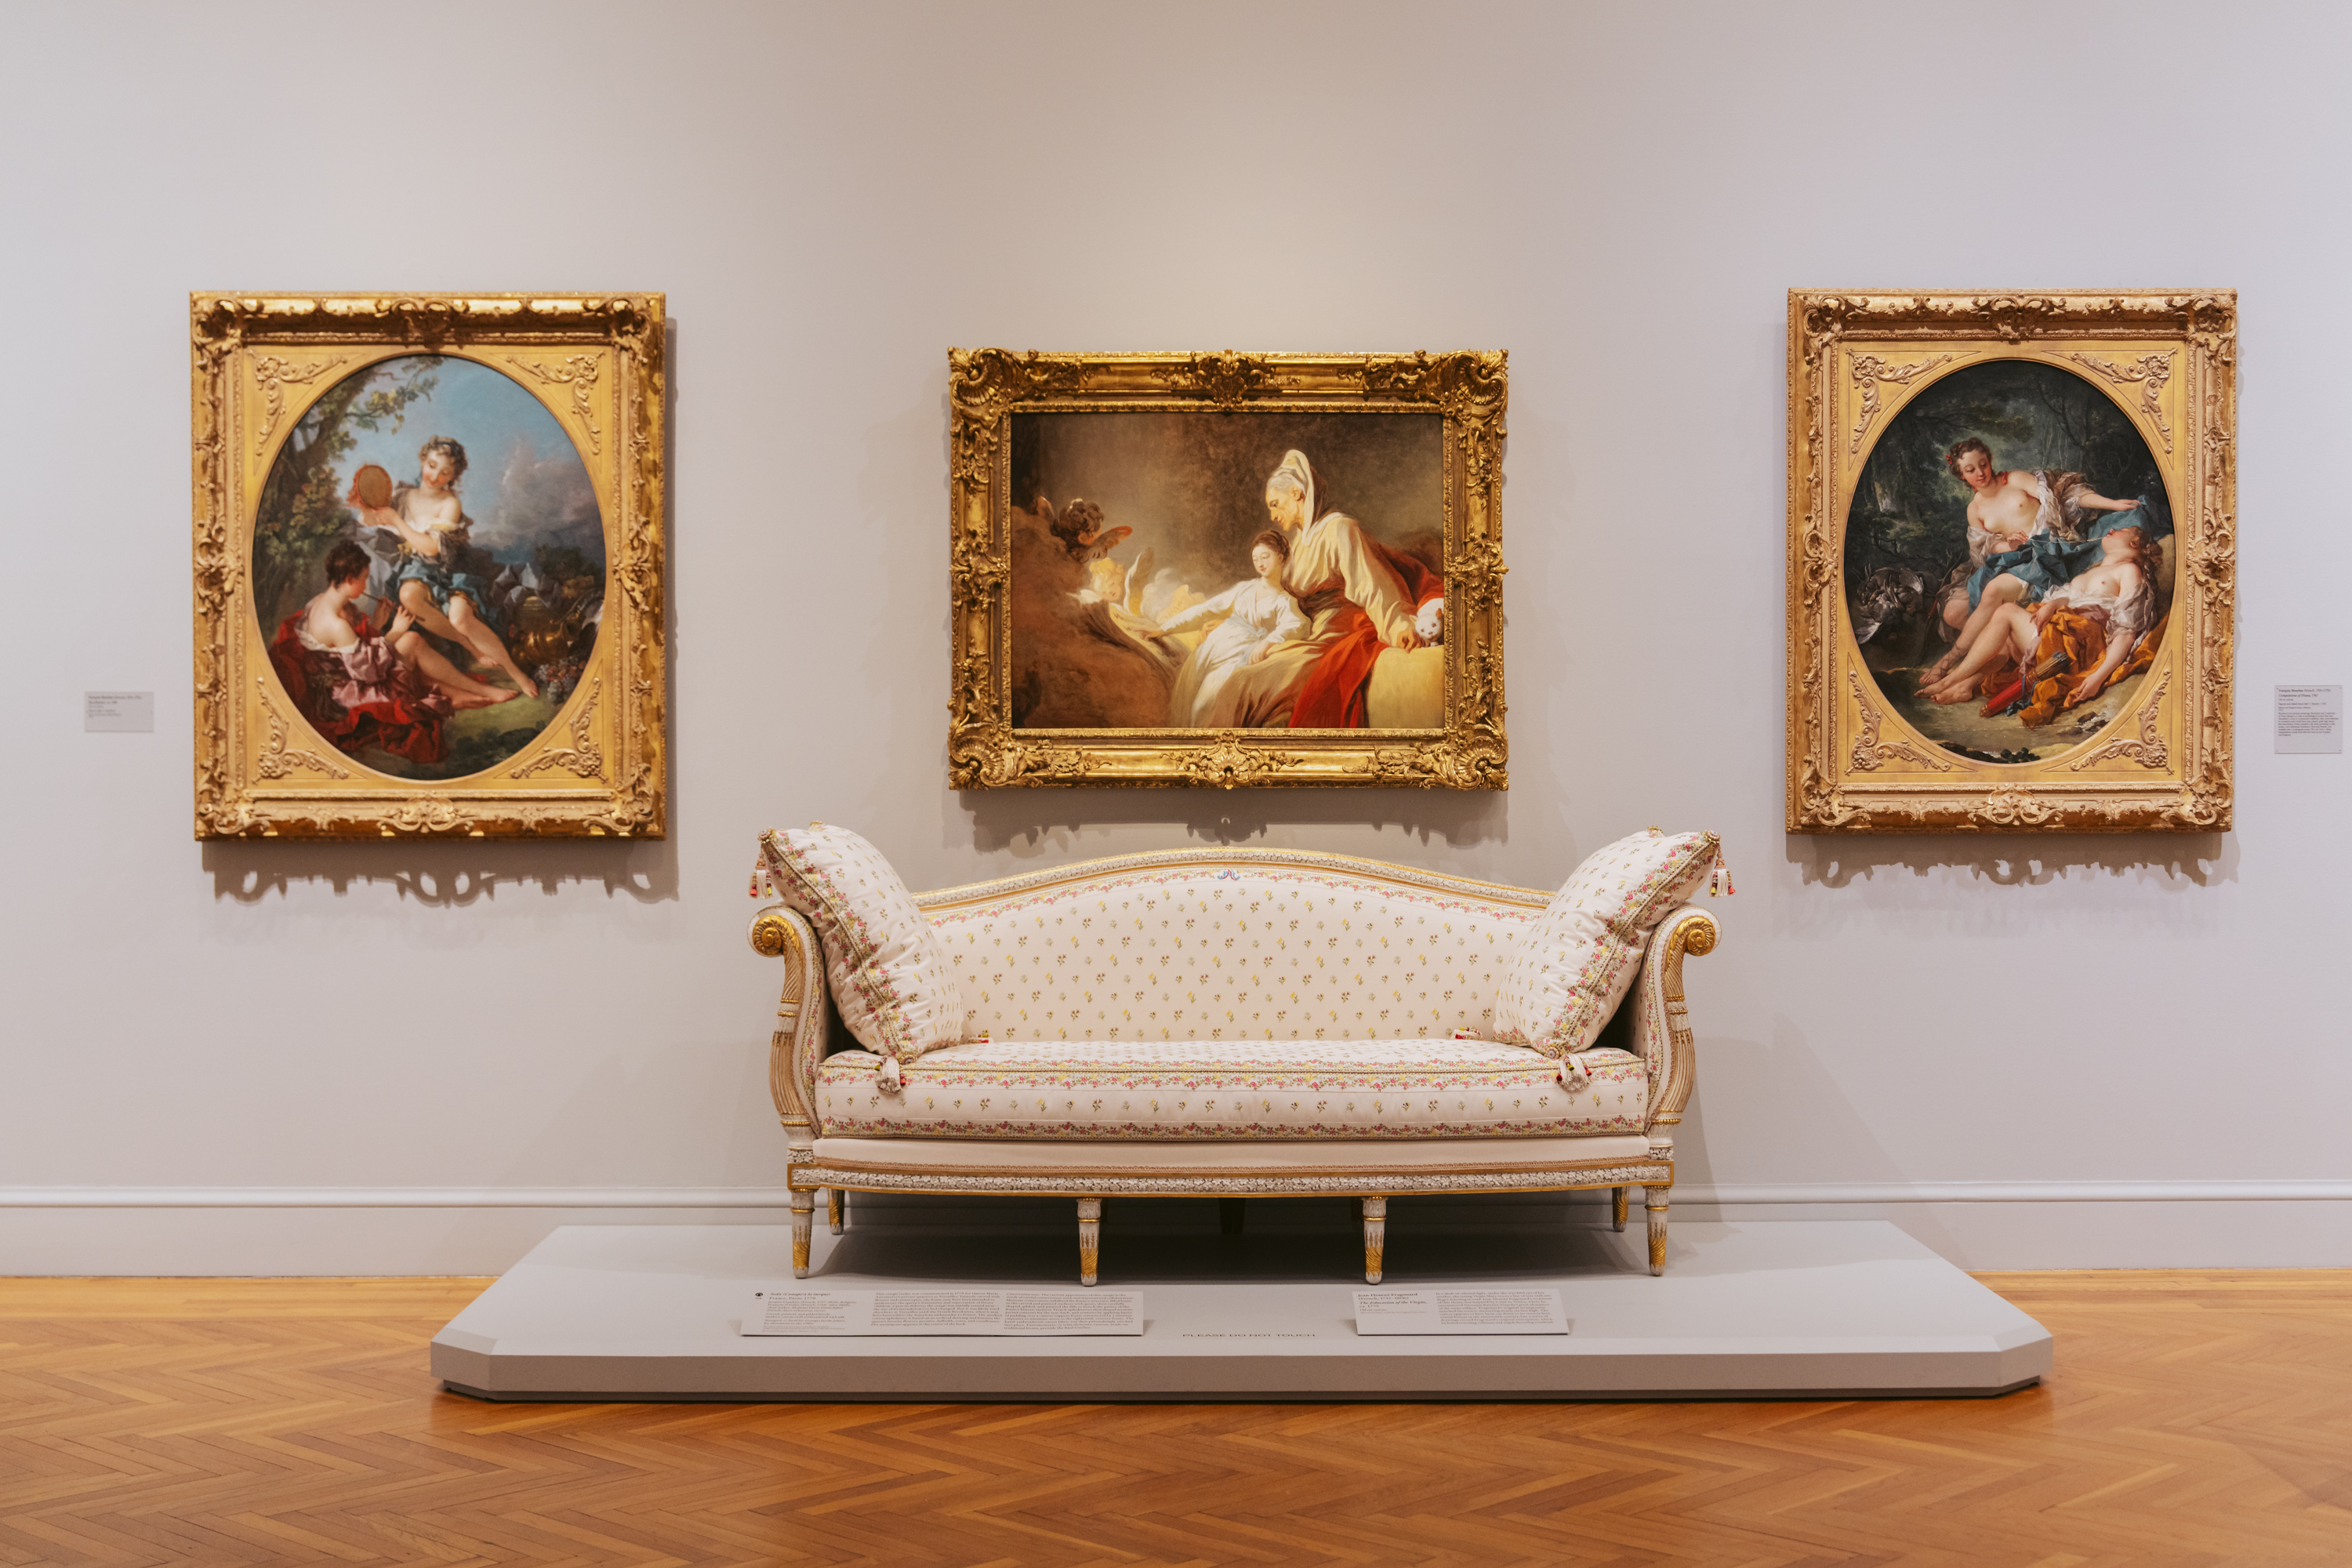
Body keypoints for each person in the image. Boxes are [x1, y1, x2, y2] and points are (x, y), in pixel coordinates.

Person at [1200, 450, 1438, 729]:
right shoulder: (1300, 542)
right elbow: (1283, 605)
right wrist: (1233, 625)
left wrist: (1398, 626)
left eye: (1276, 504)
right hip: (1312, 638)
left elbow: (1373, 585)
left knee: (1241, 685)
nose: (1273, 514)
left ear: (1298, 493)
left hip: (1338, 640)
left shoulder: (1341, 529)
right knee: (1238, 679)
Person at [1921, 438, 2155, 700]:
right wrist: (2006, 546)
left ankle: (1948, 664)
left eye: (1983, 464)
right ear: (1962, 476)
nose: (1980, 473)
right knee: (1955, 612)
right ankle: (1967, 680)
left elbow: (2066, 495)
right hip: (2012, 560)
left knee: (1993, 594)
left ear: (1990, 458)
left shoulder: (2017, 480)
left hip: (2046, 556)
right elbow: (1983, 549)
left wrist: (2113, 505)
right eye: (1971, 470)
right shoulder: (1974, 509)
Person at [267, 543, 515, 767]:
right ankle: (475, 693)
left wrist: (377, 623)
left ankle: (473, 694)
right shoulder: (335, 623)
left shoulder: (323, 600)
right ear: (350, 579)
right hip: (347, 695)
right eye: (363, 580)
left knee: (413, 645)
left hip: (352, 676)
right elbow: (368, 673)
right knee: (411, 642)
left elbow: (352, 653)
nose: (366, 586)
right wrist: (394, 631)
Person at [351, 436, 539, 698]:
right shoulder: (403, 496)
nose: (434, 476)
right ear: (422, 461)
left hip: (452, 572)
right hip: (419, 571)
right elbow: (370, 519)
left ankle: (515, 672)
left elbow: (431, 548)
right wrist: (367, 507)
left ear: (453, 478)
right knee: (407, 594)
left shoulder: (450, 504)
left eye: (444, 472)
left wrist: (396, 519)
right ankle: (470, 647)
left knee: (461, 618)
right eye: (431, 465)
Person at [1920, 524, 2161, 716]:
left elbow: (2126, 632)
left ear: (2134, 544)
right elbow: (2070, 598)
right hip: (2059, 634)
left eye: (2120, 531)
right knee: (2002, 635)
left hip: (2076, 650)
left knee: (2006, 613)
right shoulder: (2094, 571)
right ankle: (1965, 686)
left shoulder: (2130, 571)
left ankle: (1949, 680)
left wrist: (2097, 677)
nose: (2110, 531)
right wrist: (2054, 605)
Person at [1153, 530, 1310, 724]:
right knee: (1187, 697)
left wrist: (1268, 641)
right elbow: (1207, 609)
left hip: (1237, 657)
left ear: (1280, 557)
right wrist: (1165, 629)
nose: (1260, 563)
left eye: (1265, 557)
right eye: (1255, 558)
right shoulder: (1245, 588)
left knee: (1203, 706)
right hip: (1212, 647)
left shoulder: (1284, 601)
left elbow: (1299, 625)